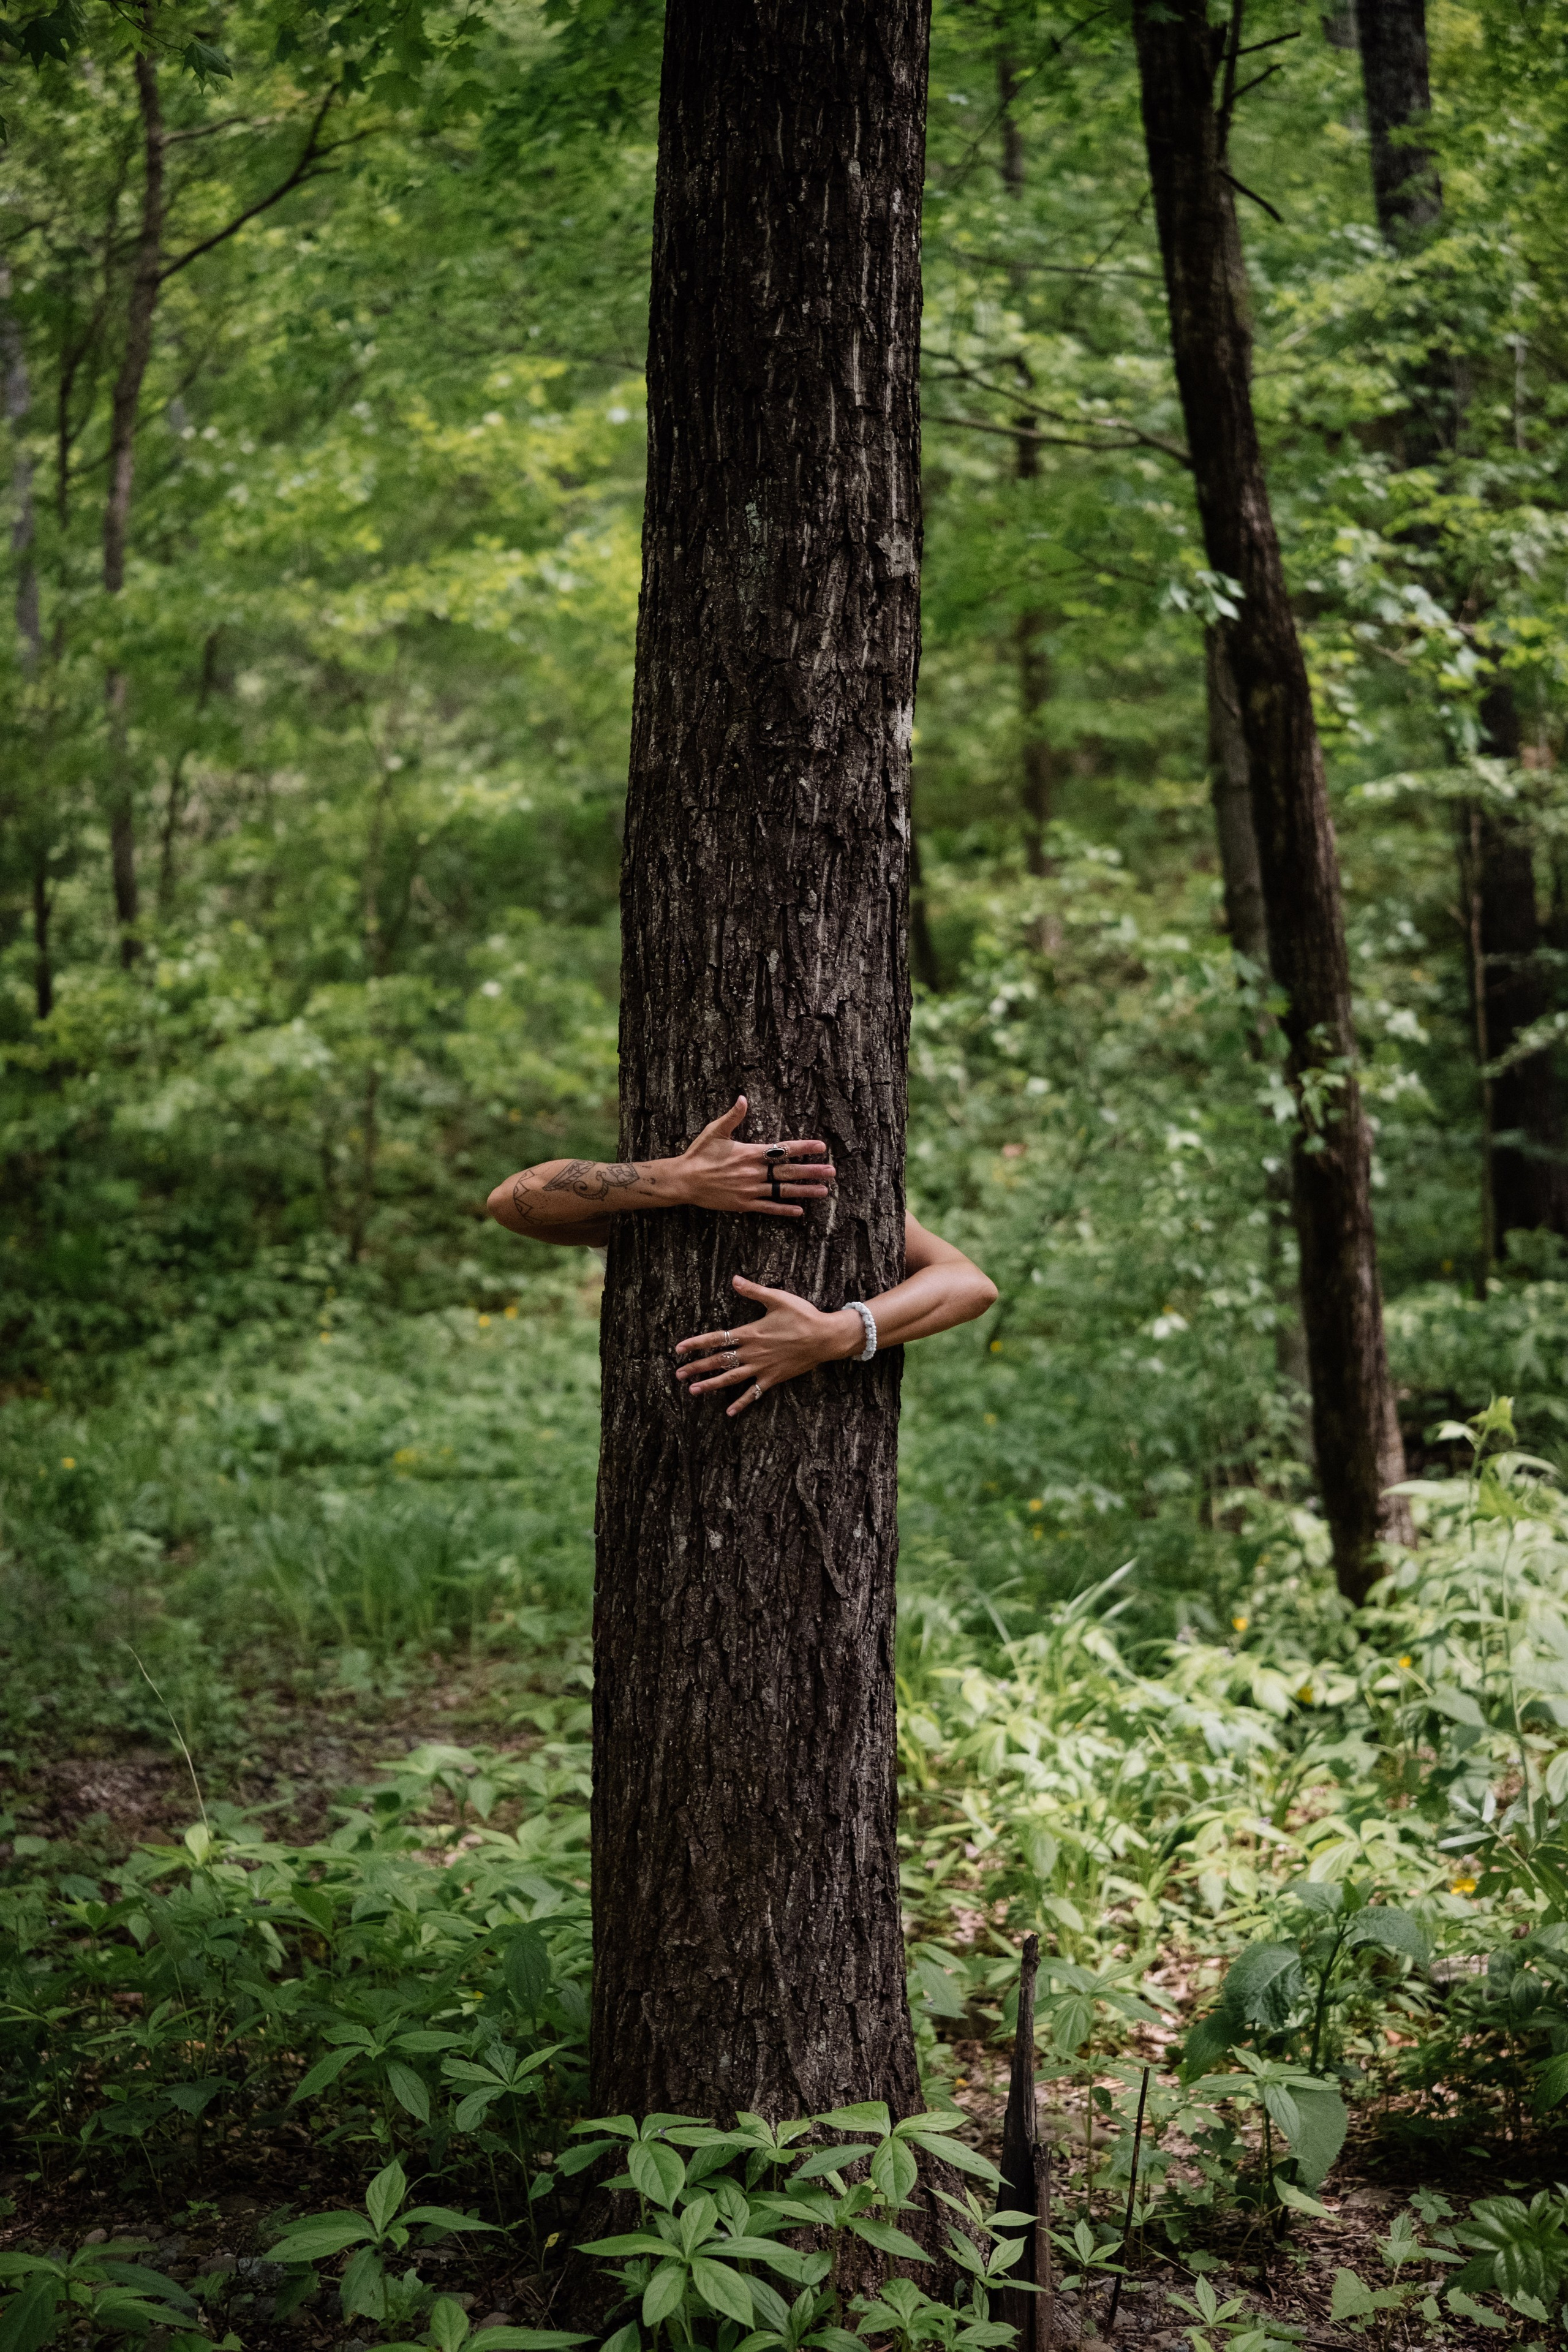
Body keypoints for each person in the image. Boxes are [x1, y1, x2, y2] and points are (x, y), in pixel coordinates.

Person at [486, 1093, 997, 1418]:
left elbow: (970, 1285)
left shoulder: (831, 1199)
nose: (755, 1162)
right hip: (665, 1445)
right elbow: (512, 1201)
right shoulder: (647, 1212)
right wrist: (681, 1180)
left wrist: (832, 1335)